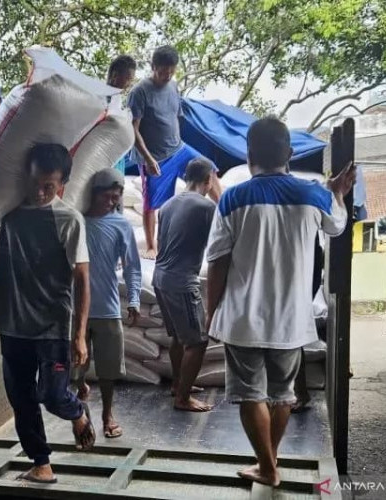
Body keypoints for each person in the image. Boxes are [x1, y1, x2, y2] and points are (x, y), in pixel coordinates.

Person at [205, 117, 355, 487]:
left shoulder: (232, 198)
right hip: (291, 319)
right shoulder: (313, 194)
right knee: (282, 394)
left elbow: (217, 262)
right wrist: (335, 191)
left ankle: (267, 466)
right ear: (289, 154)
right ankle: (269, 463)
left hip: (243, 319)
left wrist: (213, 313)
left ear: (249, 154)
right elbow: (336, 225)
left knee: (249, 394)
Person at [0, 143, 95, 484]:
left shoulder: (69, 219)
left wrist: (79, 335)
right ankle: (41, 462)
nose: (40, 192)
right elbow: (0, 260)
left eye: (49, 187)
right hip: (12, 322)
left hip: (53, 325)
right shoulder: (8, 215)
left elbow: (83, 280)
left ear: (62, 186)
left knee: (52, 396)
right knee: (21, 399)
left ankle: (76, 410)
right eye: (35, 183)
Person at [128, 45, 222, 259]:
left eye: (171, 71)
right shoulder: (139, 92)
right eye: (163, 72)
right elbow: (133, 130)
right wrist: (149, 159)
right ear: (153, 67)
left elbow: (176, 117)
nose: (167, 76)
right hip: (155, 157)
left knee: (209, 169)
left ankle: (225, 213)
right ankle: (152, 245)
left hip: (178, 148)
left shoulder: (173, 86)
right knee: (152, 203)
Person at [74, 169, 141, 438]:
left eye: (116, 197)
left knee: (109, 369)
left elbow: (132, 266)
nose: (111, 202)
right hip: (76, 310)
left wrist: (134, 298)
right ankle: (80, 392)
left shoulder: (121, 225)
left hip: (108, 308)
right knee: (75, 367)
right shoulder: (76, 220)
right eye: (107, 196)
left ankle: (107, 414)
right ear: (93, 193)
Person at [153, 158, 216, 412]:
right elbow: (220, 244)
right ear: (208, 180)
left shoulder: (167, 205)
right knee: (198, 342)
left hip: (160, 277)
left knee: (179, 338)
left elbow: (161, 242)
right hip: (181, 281)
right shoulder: (206, 207)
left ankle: (178, 384)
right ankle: (183, 398)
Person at [106, 55, 138, 175]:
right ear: (115, 75)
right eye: (128, 78)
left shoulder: (117, 99)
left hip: (117, 158)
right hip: (104, 157)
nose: (130, 84)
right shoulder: (103, 99)